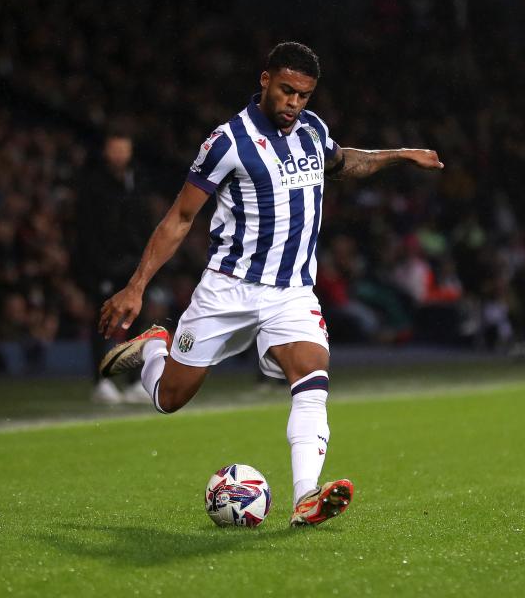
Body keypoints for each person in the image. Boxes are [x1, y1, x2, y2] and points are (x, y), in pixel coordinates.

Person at [97, 42, 443, 526]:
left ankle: (306, 497)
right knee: (169, 399)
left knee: (311, 374)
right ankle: (158, 345)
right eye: (286, 91)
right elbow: (180, 218)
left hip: (292, 292)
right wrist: (136, 286)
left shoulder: (312, 130)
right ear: (265, 80)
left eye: (303, 95)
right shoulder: (227, 142)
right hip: (228, 289)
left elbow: (343, 162)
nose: (294, 103)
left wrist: (398, 156)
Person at [76, 127, 157, 404]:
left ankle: (134, 380)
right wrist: (95, 264)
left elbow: (144, 220)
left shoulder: (137, 180)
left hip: (133, 261)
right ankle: (102, 382)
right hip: (103, 263)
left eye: (124, 148)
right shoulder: (93, 183)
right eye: (115, 148)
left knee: (137, 319)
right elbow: (87, 228)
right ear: (106, 151)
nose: (120, 154)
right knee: (104, 321)